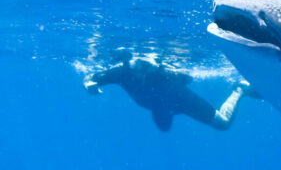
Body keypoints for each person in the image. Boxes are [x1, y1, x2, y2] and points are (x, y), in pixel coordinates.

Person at [83, 54, 256, 132]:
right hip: (158, 106)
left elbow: (189, 78)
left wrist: (166, 70)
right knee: (163, 128)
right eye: (138, 65)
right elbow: (91, 77)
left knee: (222, 123)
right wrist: (89, 85)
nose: (142, 66)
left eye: (146, 65)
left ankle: (239, 89)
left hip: (182, 100)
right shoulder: (121, 72)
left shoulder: (163, 71)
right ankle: (241, 89)